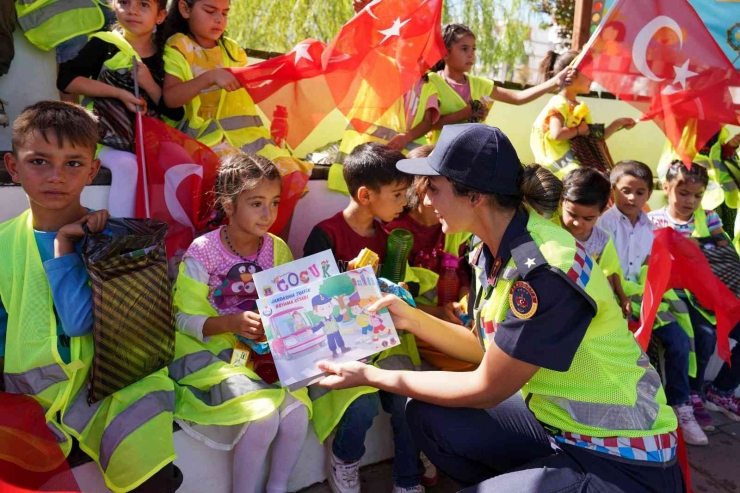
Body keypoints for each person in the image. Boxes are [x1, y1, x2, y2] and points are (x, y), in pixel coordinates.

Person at [318, 124, 683, 492]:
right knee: (426, 414)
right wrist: (408, 316)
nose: (426, 201)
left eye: (435, 188)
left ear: (474, 196)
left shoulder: (543, 270)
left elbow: (486, 387)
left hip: (621, 454)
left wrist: (369, 376)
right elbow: (484, 347)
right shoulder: (491, 250)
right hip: (557, 426)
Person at [0, 101, 182, 493]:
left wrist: (66, 244)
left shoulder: (115, 237)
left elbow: (81, 321)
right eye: (38, 162)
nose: (56, 177)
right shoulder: (2, 243)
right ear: (13, 167)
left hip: (114, 386)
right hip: (31, 394)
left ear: (93, 170)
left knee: (152, 475)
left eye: (73, 163)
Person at [171, 153, 310, 493]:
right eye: (257, 203)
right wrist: (230, 323)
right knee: (262, 420)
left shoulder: (276, 249)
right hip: (213, 355)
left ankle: (277, 488)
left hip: (262, 355)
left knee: (296, 417)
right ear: (228, 205)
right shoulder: (202, 251)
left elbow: (288, 307)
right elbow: (180, 318)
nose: (269, 214)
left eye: (275, 203)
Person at [304, 143, 424, 493]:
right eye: (398, 193)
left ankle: (407, 478)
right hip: (339, 347)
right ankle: (344, 460)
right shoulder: (325, 234)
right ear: (365, 195)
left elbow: (396, 296)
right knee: (362, 406)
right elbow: (314, 302)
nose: (405, 202)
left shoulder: (391, 238)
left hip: (384, 343)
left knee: (408, 399)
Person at [161, 0, 312, 207]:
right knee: (244, 178)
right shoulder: (179, 45)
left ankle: (276, 241)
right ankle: (234, 238)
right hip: (202, 139)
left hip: (247, 139)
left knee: (289, 174)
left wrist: (289, 68)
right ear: (185, 9)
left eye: (225, 13)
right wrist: (210, 77)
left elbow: (253, 88)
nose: (219, 20)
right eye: (210, 11)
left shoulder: (233, 50)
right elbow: (170, 98)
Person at [599, 161, 705, 445]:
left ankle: (681, 406)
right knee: (627, 348)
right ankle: (628, 411)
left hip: (646, 300)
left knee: (680, 340)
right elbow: (605, 270)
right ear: (613, 191)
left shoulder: (651, 226)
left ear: (650, 194)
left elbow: (651, 265)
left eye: (640, 192)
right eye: (625, 191)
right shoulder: (602, 223)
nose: (632, 198)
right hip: (611, 300)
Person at [57, 0, 184, 219]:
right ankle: (120, 239)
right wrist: (119, 93)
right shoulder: (103, 44)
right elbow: (66, 80)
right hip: (104, 140)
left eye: (144, 5)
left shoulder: (169, 57)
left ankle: (170, 239)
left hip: (150, 142)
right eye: (125, 2)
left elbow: (175, 112)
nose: (133, 10)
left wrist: (148, 83)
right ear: (113, 6)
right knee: (127, 165)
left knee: (180, 161)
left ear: (160, 16)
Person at [649, 162, 740, 423]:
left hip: (711, 291)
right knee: (705, 335)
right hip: (674, 295)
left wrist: (685, 247)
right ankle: (692, 393)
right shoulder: (653, 220)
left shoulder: (708, 217)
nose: (691, 201)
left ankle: (720, 390)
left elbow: (724, 249)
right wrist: (703, 247)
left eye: (698, 195)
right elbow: (656, 262)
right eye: (684, 193)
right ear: (666, 188)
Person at [386, 145, 475, 372]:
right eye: (434, 188)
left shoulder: (456, 226)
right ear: (418, 190)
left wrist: (463, 306)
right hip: (414, 323)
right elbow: (393, 297)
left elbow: (465, 274)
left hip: (451, 318)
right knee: (467, 360)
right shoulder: (396, 233)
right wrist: (440, 314)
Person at [427, 23, 571, 144]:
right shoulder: (432, 82)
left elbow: (518, 98)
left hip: (470, 156)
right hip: (438, 155)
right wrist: (464, 114)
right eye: (464, 49)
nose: (471, 54)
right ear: (445, 53)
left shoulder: (479, 84)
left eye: (473, 49)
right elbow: (429, 125)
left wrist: (555, 82)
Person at [530, 50, 635, 177]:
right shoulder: (559, 103)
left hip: (575, 170)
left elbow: (593, 137)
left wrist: (617, 123)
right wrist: (579, 130)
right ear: (571, 75)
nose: (593, 78)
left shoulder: (579, 107)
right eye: (588, 73)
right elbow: (556, 134)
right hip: (560, 172)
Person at [557, 168, 630, 317]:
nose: (578, 223)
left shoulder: (602, 240)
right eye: (572, 214)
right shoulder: (550, 229)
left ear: (602, 211)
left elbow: (608, 274)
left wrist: (621, 299)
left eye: (588, 218)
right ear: (561, 202)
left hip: (586, 302)